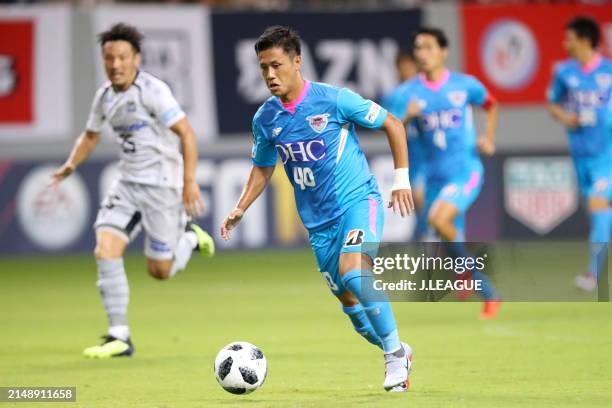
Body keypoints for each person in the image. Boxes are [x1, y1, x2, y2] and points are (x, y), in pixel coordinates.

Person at [220, 26, 415, 392]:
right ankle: (398, 349)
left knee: (354, 272)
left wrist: (401, 179)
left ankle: (393, 358)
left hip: (358, 202)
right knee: (350, 303)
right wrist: (240, 206)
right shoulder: (266, 119)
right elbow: (263, 167)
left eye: (276, 65)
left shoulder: (335, 100)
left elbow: (392, 123)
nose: (269, 75)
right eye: (263, 68)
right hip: (318, 224)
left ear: (297, 62)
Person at [51, 23, 215, 358]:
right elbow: (91, 135)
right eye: (109, 57)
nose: (115, 64)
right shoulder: (105, 97)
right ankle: (119, 335)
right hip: (126, 185)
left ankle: (189, 239)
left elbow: (186, 133)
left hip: (163, 188)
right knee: (104, 250)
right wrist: (71, 164)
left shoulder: (153, 91)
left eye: (122, 57)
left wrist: (188, 181)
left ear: (135, 58)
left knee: (160, 272)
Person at [395, 27, 501, 318]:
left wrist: (488, 137)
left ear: (444, 52)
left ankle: (487, 289)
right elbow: (392, 129)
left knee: (438, 220)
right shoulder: (406, 94)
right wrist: (407, 117)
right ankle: (465, 273)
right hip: (433, 177)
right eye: (418, 48)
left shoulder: (464, 85)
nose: (422, 53)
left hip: (465, 171)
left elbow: (491, 105)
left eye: (429, 47)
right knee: (444, 233)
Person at [547, 16, 611, 292]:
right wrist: (566, 117)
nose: (565, 43)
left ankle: (593, 276)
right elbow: (552, 104)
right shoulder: (564, 73)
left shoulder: (609, 71)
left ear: (584, 40)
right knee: (598, 213)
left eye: (568, 38)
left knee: (599, 206)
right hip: (581, 156)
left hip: (607, 156)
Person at [380, 49, 427, 240]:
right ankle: (430, 242)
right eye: (402, 67)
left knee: (442, 208)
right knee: (420, 201)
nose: (406, 71)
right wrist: (409, 115)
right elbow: (392, 127)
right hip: (414, 157)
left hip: (436, 155)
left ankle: (445, 250)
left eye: (410, 66)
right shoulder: (394, 96)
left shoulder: (428, 91)